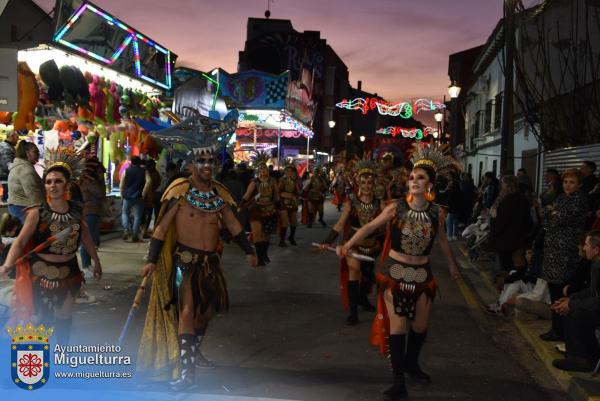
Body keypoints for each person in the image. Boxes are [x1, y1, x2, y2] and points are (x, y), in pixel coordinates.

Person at [337, 143, 460, 400]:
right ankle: (398, 381)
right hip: (395, 273)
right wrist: (347, 244)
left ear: (430, 185)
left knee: (420, 326)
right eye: (412, 177)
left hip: (423, 276)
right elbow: (369, 228)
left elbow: (443, 242)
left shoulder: (437, 213)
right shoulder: (395, 208)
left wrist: (451, 265)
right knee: (399, 325)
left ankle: (411, 364)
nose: (414, 181)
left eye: (421, 178)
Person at [138, 147, 257, 390]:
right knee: (188, 312)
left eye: (210, 161)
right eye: (200, 161)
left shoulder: (218, 194)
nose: (206, 165)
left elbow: (233, 224)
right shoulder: (179, 192)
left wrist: (249, 250)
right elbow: (161, 229)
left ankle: (190, 350)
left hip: (210, 264)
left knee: (207, 313)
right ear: (190, 165)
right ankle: (186, 373)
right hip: (186, 262)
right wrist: (151, 259)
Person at [0, 149, 102, 344]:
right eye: (48, 181)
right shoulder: (36, 213)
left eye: (58, 181)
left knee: (64, 318)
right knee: (40, 320)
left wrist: (96, 262)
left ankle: (63, 356)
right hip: (41, 273)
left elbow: (86, 236)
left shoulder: (78, 210)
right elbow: (20, 241)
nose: (53, 185)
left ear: (68, 185)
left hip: (70, 271)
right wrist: (6, 265)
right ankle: (41, 363)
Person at [321, 160, 383, 325]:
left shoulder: (380, 203)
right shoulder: (351, 202)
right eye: (363, 182)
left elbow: (385, 227)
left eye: (370, 182)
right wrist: (327, 242)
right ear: (358, 183)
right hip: (353, 244)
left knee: (369, 275)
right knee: (354, 270)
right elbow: (340, 224)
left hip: (373, 245)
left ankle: (362, 298)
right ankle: (353, 312)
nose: (367, 185)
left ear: (375, 182)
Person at [540, 169, 590, 341]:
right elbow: (545, 220)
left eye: (572, 182)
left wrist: (552, 212)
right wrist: (550, 212)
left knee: (561, 290)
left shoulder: (579, 201)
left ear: (580, 184)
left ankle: (561, 330)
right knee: (553, 289)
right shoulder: (562, 198)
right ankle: (556, 328)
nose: (568, 185)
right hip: (553, 251)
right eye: (565, 182)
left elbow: (556, 219)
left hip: (566, 253)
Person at [551, 230, 600, 372]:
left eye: (586, 245)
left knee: (578, 314)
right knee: (572, 310)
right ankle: (575, 357)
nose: (584, 248)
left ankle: (586, 360)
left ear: (596, 250)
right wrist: (570, 299)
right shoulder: (595, 264)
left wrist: (572, 304)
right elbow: (592, 291)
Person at [240, 153, 279, 266]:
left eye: (264, 168)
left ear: (267, 169)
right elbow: (247, 195)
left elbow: (276, 196)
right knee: (257, 234)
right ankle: (260, 258)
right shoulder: (254, 182)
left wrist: (279, 206)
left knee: (266, 235)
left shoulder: (273, 181)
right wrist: (240, 205)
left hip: (270, 209)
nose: (262, 170)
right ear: (258, 170)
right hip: (256, 210)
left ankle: (264, 254)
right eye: (260, 168)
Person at [488, 175, 532, 273]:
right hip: (519, 240)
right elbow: (528, 221)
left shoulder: (507, 200)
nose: (501, 186)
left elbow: (501, 221)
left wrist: (493, 232)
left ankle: (507, 285)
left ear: (508, 185)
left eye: (503, 184)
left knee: (506, 268)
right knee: (517, 268)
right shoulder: (522, 198)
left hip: (505, 241)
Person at [79, 156, 106, 279]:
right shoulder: (88, 181)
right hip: (89, 212)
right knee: (87, 240)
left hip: (95, 211)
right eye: (100, 170)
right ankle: (85, 266)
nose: (102, 173)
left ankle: (88, 264)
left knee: (92, 240)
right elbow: (100, 193)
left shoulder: (94, 180)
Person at [7, 141, 44, 223]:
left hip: (17, 207)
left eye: (38, 151)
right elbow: (33, 194)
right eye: (35, 152)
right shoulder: (26, 169)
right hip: (23, 208)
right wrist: (44, 209)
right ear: (27, 153)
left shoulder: (21, 166)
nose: (38, 154)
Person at [120, 156, 146, 242]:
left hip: (127, 196)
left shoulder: (126, 171)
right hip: (139, 196)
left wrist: (121, 195)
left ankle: (126, 229)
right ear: (139, 163)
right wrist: (144, 192)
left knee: (125, 213)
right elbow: (149, 181)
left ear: (131, 162)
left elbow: (121, 184)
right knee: (137, 216)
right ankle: (135, 235)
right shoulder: (144, 171)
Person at [278, 162, 300, 246]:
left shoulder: (295, 180)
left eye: (291, 171)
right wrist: (288, 195)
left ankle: (291, 237)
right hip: (283, 203)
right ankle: (282, 240)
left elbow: (297, 192)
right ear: (285, 172)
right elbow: (278, 192)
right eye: (288, 171)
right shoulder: (282, 180)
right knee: (285, 222)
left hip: (292, 203)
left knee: (294, 222)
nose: (290, 172)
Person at [0, 129, 19, 203]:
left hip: (6, 177)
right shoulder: (6, 148)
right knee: (7, 200)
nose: (17, 140)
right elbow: (7, 165)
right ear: (12, 136)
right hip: (6, 179)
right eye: (17, 137)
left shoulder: (7, 146)